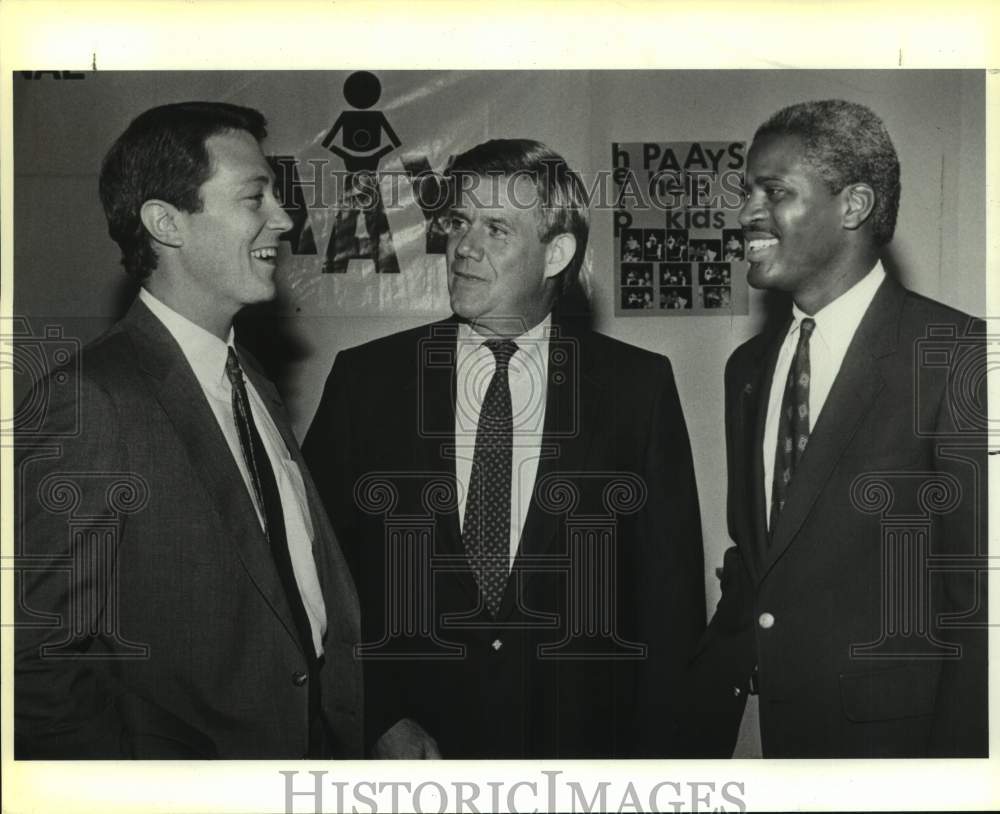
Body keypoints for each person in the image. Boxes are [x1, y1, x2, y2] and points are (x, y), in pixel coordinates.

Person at [304, 138, 705, 759]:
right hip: (412, 757)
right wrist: (377, 717)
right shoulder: (368, 382)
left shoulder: (636, 389)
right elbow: (320, 576)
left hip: (582, 760)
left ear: (556, 254)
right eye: (459, 222)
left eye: (496, 228)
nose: (464, 246)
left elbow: (669, 607)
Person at [14, 102, 362, 759]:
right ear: (166, 223)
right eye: (254, 197)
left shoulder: (250, 378)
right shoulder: (89, 401)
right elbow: (33, 662)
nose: (284, 220)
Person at [685, 99, 987, 757]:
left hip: (893, 752)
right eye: (746, 192)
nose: (745, 215)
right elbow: (759, 558)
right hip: (752, 738)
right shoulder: (747, 368)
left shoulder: (955, 353)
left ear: (852, 206)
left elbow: (977, 601)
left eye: (775, 192)